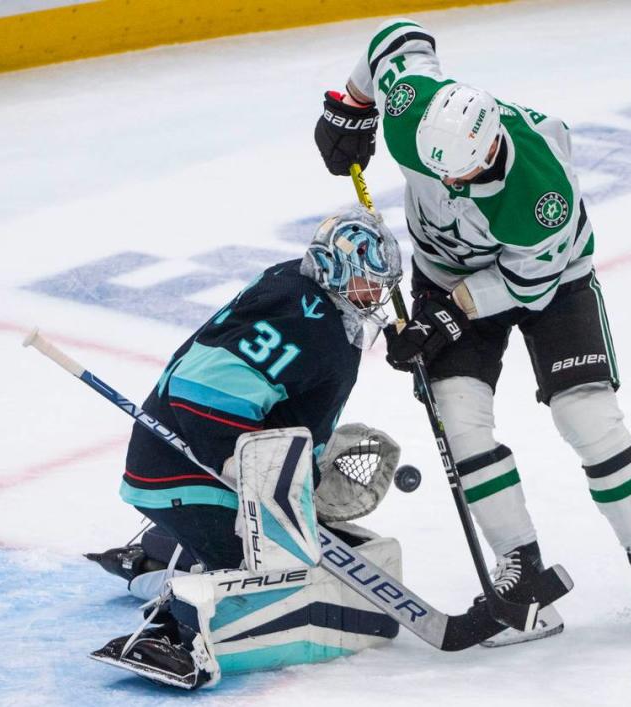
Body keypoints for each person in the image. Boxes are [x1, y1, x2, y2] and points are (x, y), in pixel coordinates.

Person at [314, 18, 631, 640]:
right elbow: (396, 41)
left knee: (586, 417)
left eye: (456, 177)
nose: (444, 186)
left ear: (489, 151)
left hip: (552, 280)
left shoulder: (540, 199)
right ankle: (521, 561)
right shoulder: (417, 116)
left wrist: (444, 314)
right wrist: (350, 108)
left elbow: (523, 286)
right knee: (460, 420)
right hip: (445, 274)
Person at [87, 207, 409, 689]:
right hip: (189, 475)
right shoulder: (309, 321)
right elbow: (201, 389)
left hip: (181, 468)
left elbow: (276, 391)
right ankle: (171, 634)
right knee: (265, 574)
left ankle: (160, 554)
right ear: (337, 270)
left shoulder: (303, 292)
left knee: (292, 550)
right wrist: (243, 463)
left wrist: (308, 455)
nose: (377, 296)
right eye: (368, 282)